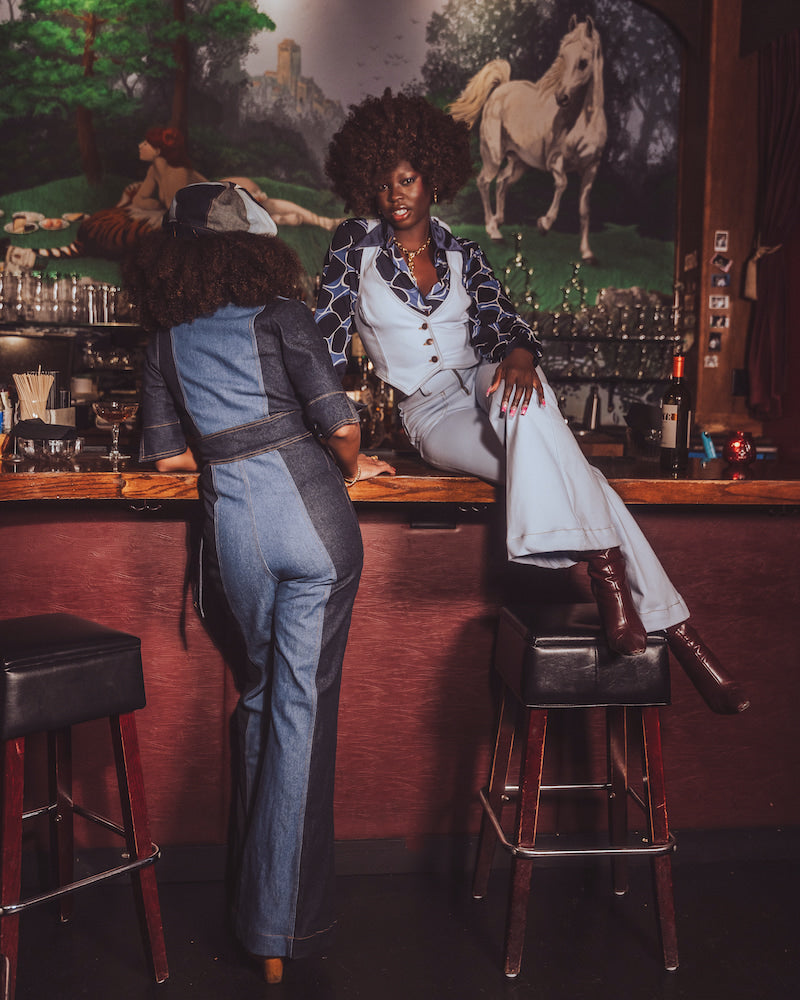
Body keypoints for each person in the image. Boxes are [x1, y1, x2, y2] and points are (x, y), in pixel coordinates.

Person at [315, 91, 748, 715]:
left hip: (488, 379)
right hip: (431, 412)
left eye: (406, 178)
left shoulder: (466, 255)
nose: (395, 194)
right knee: (585, 474)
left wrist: (521, 353)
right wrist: (336, 439)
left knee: (526, 390)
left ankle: (618, 587)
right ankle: (679, 631)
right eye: (382, 184)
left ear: (432, 177)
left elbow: (502, 325)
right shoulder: (353, 250)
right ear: (366, 188)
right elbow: (325, 344)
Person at [125, 181, 394, 983]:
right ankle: (278, 932)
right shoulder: (282, 314)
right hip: (312, 524)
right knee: (299, 712)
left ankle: (252, 903)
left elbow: (169, 458)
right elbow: (341, 426)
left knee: (257, 699)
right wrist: (356, 464)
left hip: (231, 535)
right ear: (257, 247)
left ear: (176, 257)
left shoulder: (165, 340)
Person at [4, 125, 342, 268]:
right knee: (269, 217)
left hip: (219, 202)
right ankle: (300, 219)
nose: (140, 147)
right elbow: (143, 204)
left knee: (262, 206)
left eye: (145, 143)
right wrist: (135, 201)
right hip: (207, 211)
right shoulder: (155, 171)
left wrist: (147, 211)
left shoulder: (177, 174)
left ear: (158, 148)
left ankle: (320, 220)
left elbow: (172, 211)